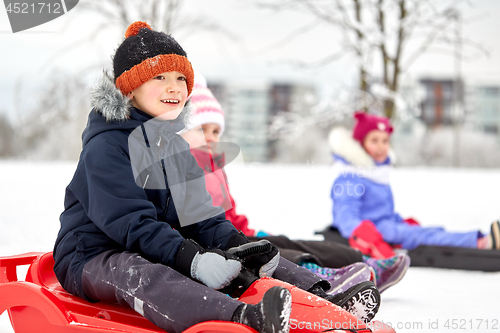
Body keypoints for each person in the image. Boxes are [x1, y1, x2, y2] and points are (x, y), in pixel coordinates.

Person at [52, 21, 381, 333]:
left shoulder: (175, 146)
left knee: (244, 256)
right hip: (94, 254)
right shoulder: (107, 146)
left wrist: (240, 246)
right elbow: (131, 224)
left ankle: (323, 297)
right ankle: (242, 317)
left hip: (155, 244)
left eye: (181, 79)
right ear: (130, 87)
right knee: (143, 274)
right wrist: (192, 260)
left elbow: (202, 217)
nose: (174, 87)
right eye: (159, 78)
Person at [180, 72, 410, 295]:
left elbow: (231, 215)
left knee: (283, 241)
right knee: (272, 252)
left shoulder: (215, 170)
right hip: (211, 245)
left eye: (216, 130)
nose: (211, 137)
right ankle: (320, 276)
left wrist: (253, 232)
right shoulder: (176, 171)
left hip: (233, 233)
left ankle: (362, 262)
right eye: (201, 129)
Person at [328, 111, 500, 258]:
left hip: (387, 227)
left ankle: (480, 239)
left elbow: (380, 211)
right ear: (360, 144)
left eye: (385, 141)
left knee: (428, 232)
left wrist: (399, 220)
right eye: (374, 141)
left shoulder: (376, 174)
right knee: (425, 236)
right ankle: (480, 242)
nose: (381, 147)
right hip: (375, 233)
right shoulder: (350, 178)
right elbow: (346, 217)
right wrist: (365, 236)